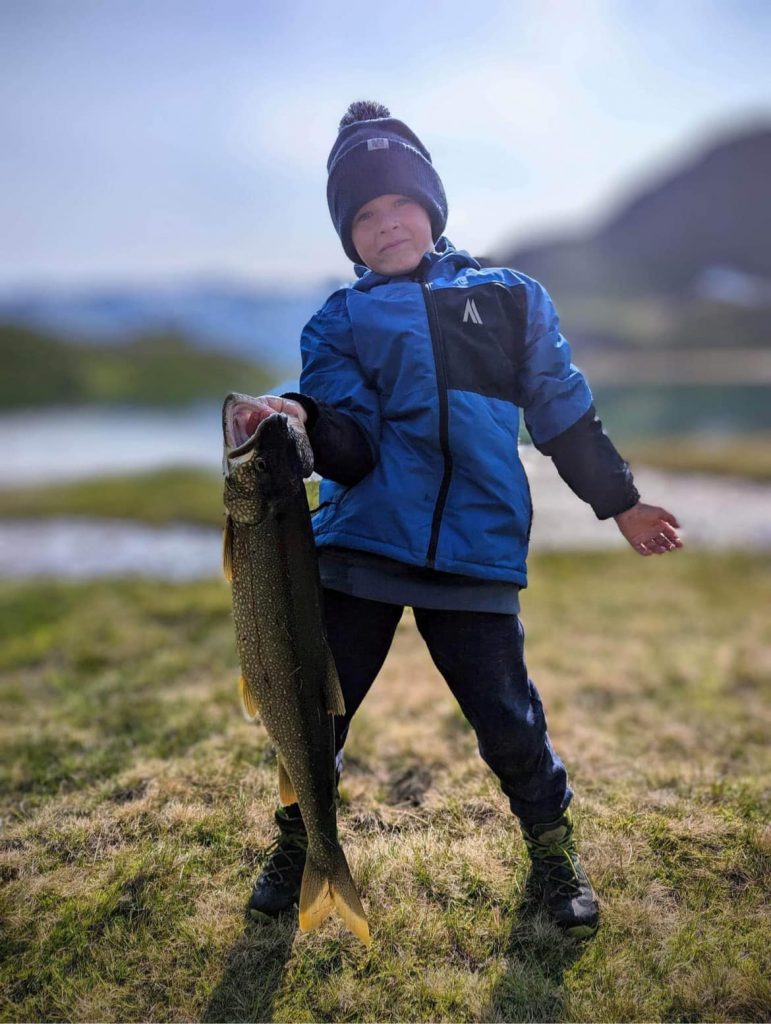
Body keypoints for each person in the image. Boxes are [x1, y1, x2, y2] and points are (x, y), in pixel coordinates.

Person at [239, 101, 683, 938]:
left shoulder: (511, 299)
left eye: (398, 204)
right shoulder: (339, 318)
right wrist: (298, 424)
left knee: (509, 721)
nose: (384, 225)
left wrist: (618, 501)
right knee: (316, 714)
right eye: (362, 216)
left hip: (476, 552)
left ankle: (553, 853)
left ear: (431, 207)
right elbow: (352, 445)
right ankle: (298, 845)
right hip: (358, 549)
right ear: (347, 234)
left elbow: (559, 410)